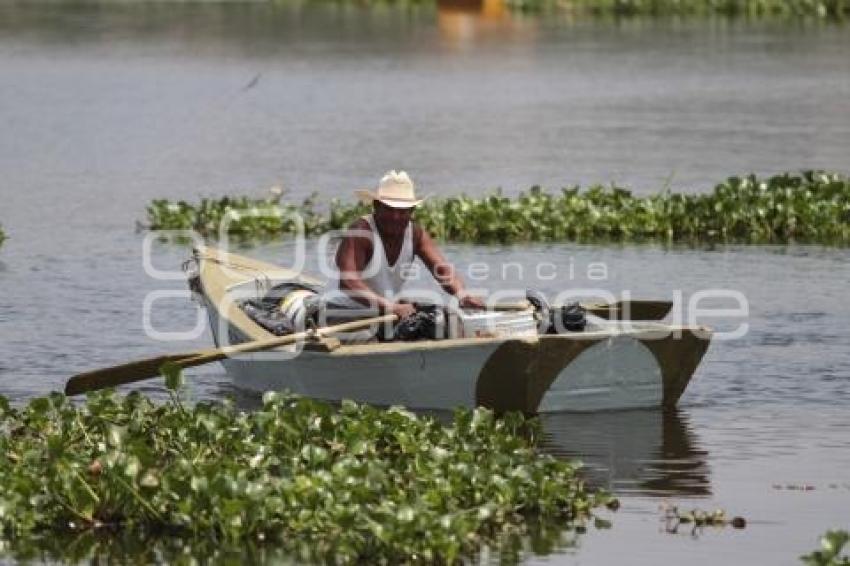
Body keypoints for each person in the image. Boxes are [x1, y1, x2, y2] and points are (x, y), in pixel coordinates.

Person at [329, 170, 484, 321]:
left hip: (384, 315)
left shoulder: (415, 234)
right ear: (376, 206)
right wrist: (391, 307)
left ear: (412, 211)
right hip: (345, 314)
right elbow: (348, 283)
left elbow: (443, 270)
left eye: (402, 211)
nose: (395, 217)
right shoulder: (361, 232)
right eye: (389, 209)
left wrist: (462, 295)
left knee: (446, 321)